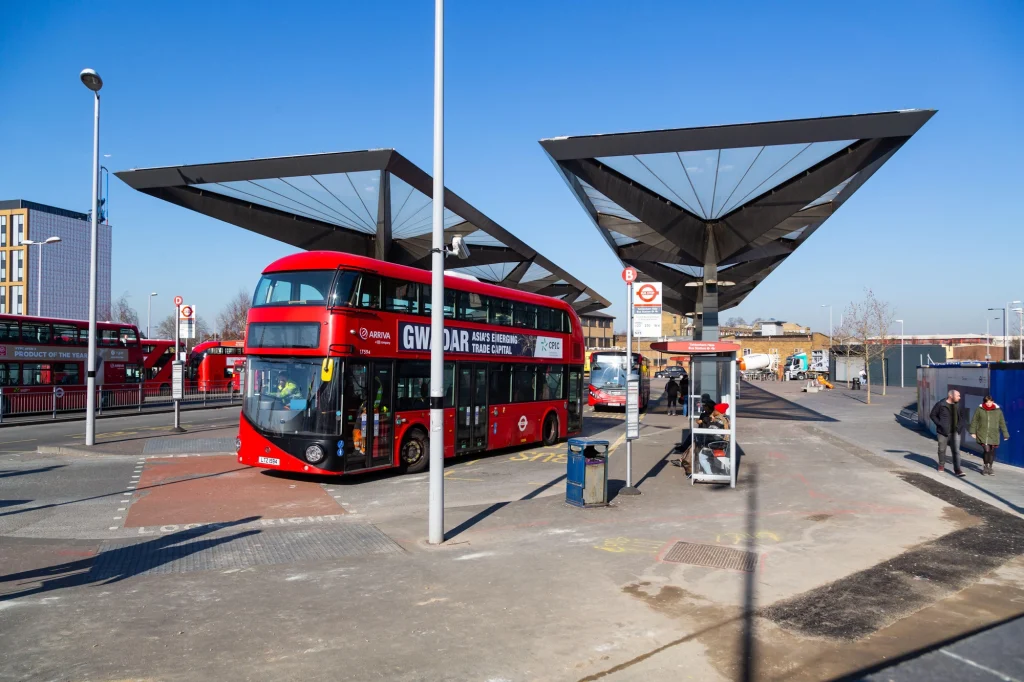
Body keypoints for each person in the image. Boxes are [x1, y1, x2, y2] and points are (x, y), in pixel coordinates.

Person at [929, 389, 968, 476]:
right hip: (943, 432)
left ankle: (957, 469)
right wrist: (940, 424)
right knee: (942, 449)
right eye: (958, 396)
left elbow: (962, 417)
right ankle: (941, 465)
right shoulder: (941, 404)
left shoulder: (959, 405)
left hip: (955, 432)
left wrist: (959, 427)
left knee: (956, 451)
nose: (960, 398)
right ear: (951, 396)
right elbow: (933, 415)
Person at [970, 395, 1010, 476]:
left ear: (993, 401)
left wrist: (1005, 434)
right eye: (987, 402)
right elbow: (974, 421)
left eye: (990, 402)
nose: (988, 404)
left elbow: (1002, 423)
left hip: (993, 434)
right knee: (987, 450)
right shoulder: (980, 410)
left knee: (991, 451)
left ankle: (990, 467)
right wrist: (972, 432)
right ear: (984, 402)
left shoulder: (998, 411)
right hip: (983, 433)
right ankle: (985, 466)